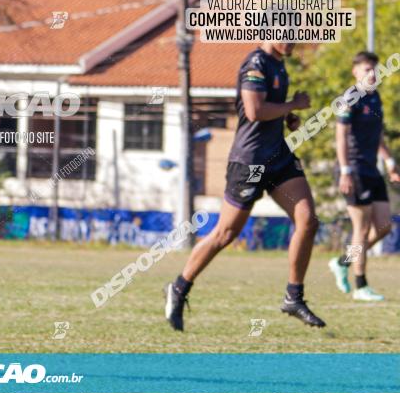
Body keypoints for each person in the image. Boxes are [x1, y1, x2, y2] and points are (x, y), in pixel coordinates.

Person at [164, 42, 326, 331]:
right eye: (286, 32)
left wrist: (288, 118)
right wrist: (292, 105)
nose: (292, 38)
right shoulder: (255, 64)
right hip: (250, 163)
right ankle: (178, 287)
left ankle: (294, 297)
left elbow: (268, 109)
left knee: (308, 220)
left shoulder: (279, 63)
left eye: (294, 32)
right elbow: (254, 111)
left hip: (278, 158)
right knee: (225, 233)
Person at [329, 51, 400, 301]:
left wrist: (390, 161)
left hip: (372, 169)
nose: (372, 74)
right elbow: (341, 137)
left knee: (383, 226)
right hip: (354, 169)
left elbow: (377, 135)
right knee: (362, 227)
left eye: (375, 69)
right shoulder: (350, 98)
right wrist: (345, 170)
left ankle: (342, 261)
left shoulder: (375, 97)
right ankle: (360, 285)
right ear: (355, 72)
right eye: (366, 69)